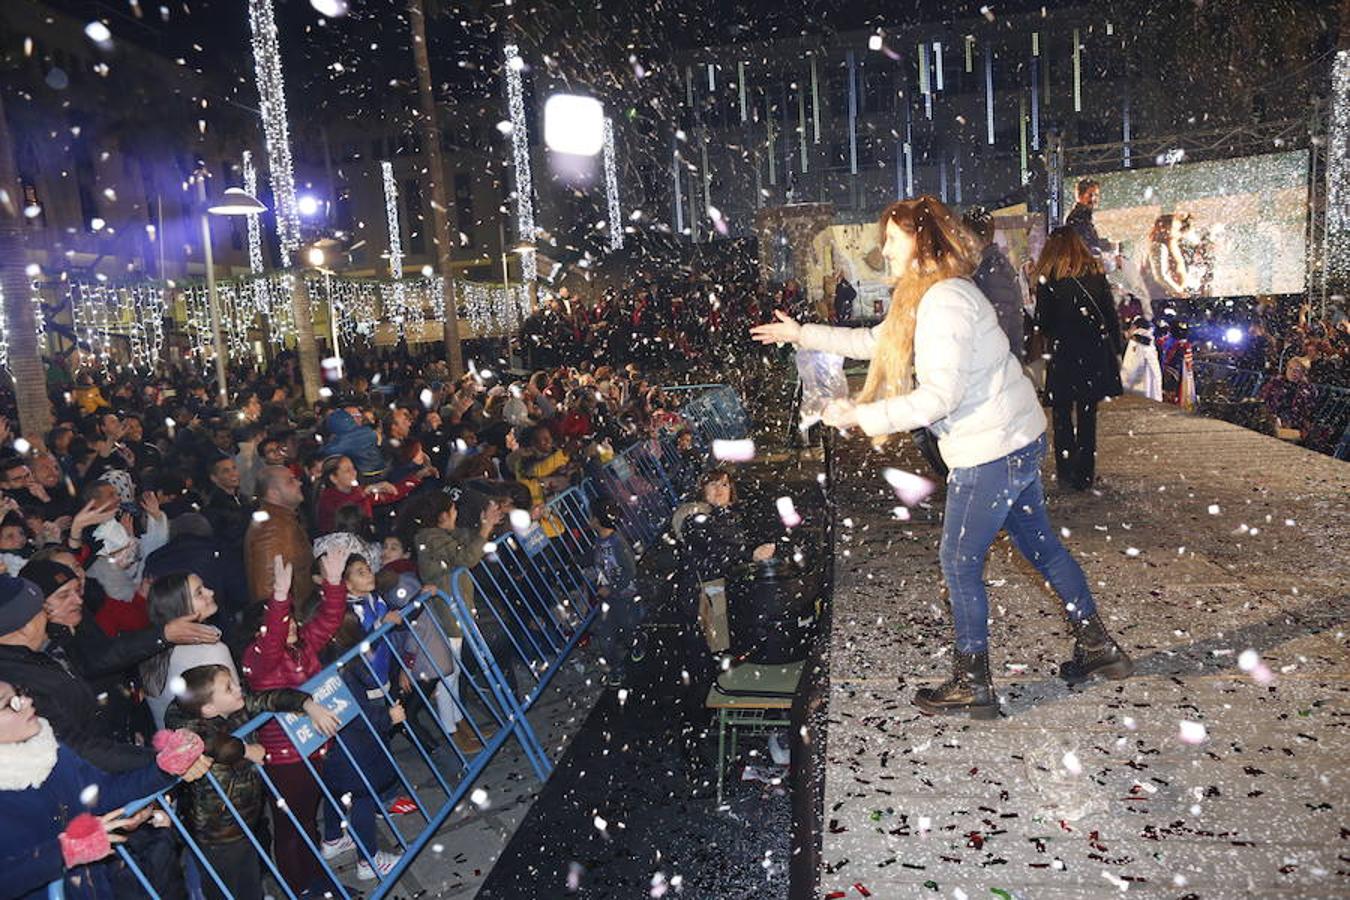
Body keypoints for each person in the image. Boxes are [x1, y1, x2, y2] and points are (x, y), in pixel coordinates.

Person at [752, 195, 1133, 719]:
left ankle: (972, 680)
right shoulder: (926, 295)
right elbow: (876, 341)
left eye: (891, 239)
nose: (882, 250)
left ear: (920, 240)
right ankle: (1099, 648)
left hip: (990, 449)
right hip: (1012, 440)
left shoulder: (944, 303)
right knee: (1040, 547)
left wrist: (863, 417)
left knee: (959, 560)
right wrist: (802, 334)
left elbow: (939, 398)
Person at [0, 678, 212, 900]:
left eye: (20, 692)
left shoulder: (50, 751)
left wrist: (163, 769)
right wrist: (62, 852)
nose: (26, 701)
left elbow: (102, 793)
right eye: (8, 703)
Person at [166, 664, 337, 900]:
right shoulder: (188, 728)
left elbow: (271, 698)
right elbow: (217, 745)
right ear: (208, 709)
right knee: (226, 890)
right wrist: (246, 749)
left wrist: (309, 705)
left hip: (245, 822)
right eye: (229, 688)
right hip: (217, 834)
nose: (238, 689)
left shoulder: (236, 705)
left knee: (250, 884)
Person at [240, 553, 347, 895]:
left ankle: (316, 879)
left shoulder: (302, 647)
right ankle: (296, 887)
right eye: (283, 621)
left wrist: (333, 584)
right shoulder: (258, 657)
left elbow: (329, 622)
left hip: (313, 746)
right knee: (290, 826)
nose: (292, 625)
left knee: (307, 822)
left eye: (292, 619)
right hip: (284, 756)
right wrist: (280, 598)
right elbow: (272, 640)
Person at [1034, 227, 1124, 491]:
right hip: (1093, 354)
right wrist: (1116, 350)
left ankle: (1066, 471)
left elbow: (1043, 322)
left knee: (1062, 414)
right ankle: (1084, 474)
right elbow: (1110, 317)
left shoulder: (1049, 279)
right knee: (1088, 415)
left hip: (1064, 353)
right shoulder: (1095, 275)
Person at [140, 573, 233, 730]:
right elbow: (234, 708)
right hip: (218, 746)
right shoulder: (212, 652)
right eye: (199, 592)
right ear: (180, 608)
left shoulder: (149, 655)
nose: (211, 592)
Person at [590, 499, 646, 687]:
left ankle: (638, 641)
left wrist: (611, 588)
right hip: (608, 600)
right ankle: (616, 670)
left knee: (628, 630)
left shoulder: (617, 542)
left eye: (591, 517)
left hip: (624, 597)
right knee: (605, 638)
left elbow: (630, 571)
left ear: (597, 520)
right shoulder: (599, 540)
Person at [244, 465, 313, 608]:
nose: (299, 483)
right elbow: (267, 586)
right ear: (273, 494)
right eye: (290, 481)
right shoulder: (271, 528)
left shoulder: (283, 520)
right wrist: (283, 621)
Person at [963, 208, 1025, 359]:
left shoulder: (992, 272)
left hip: (998, 366)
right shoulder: (993, 266)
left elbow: (997, 327)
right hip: (1002, 361)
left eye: (962, 236)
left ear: (972, 237)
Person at [1064, 178, 1114, 258]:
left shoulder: (1082, 217)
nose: (1094, 199)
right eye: (1090, 195)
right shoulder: (1077, 218)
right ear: (1079, 196)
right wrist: (1108, 246)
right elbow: (1087, 245)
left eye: (1096, 195)